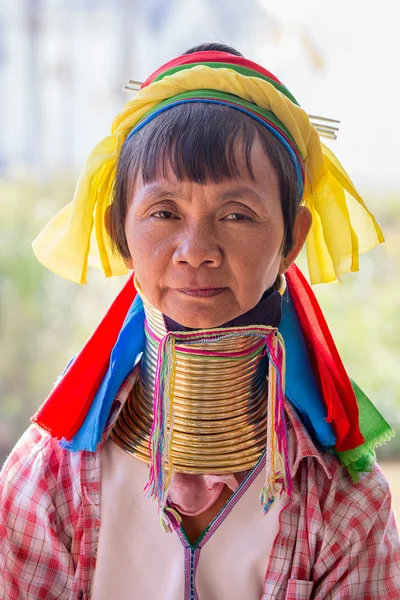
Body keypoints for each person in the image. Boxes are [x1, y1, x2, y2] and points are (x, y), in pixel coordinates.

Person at [1, 42, 399, 600]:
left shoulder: (342, 505)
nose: (195, 250)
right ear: (121, 231)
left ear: (294, 238)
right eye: (164, 212)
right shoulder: (50, 481)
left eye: (236, 214)